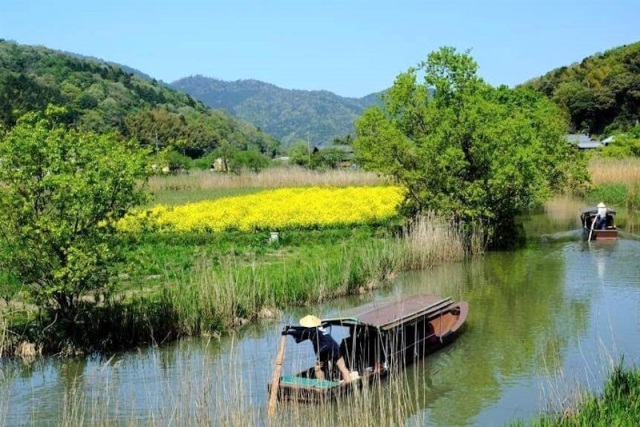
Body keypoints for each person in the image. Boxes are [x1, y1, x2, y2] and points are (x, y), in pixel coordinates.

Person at [297, 315, 352, 382]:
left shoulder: (310, 331)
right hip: (335, 347)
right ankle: (350, 384)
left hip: (324, 349)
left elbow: (298, 339)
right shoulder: (320, 328)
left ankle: (323, 386)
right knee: (343, 368)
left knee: (318, 368)